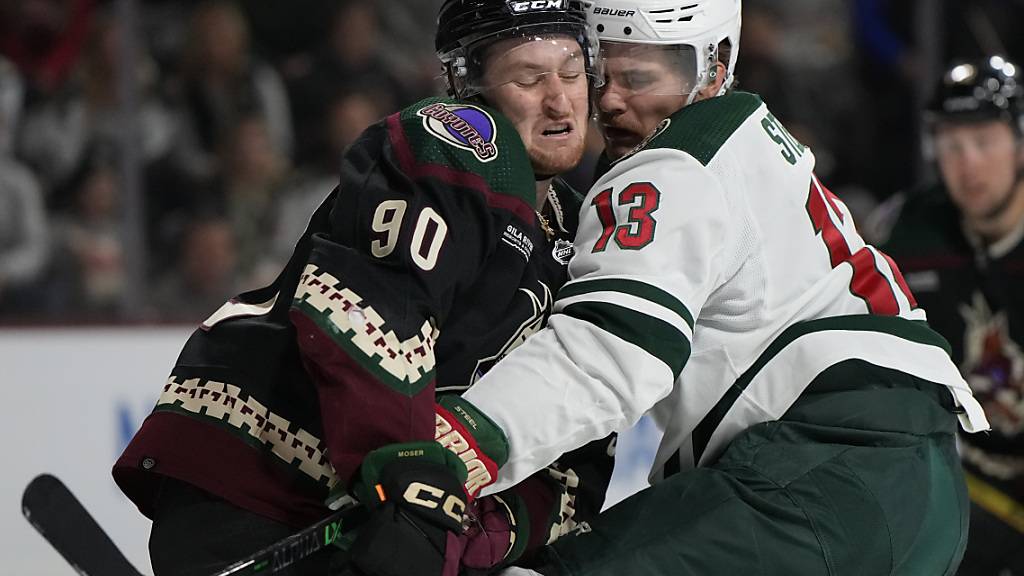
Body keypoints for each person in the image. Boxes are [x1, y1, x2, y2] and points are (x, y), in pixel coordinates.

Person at [381, 1, 993, 575]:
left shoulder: (674, 162)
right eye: (601, 74)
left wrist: (461, 441)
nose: (614, 102)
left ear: (715, 68)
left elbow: (612, 350)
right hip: (922, 492)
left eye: (642, 77)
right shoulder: (752, 139)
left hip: (823, 474)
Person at [113, 2, 614, 575]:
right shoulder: (460, 140)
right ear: (462, 84)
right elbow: (372, 308)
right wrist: (408, 473)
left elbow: (573, 453)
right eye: (528, 77)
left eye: (572, 73)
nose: (559, 100)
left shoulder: (581, 236)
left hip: (361, 514)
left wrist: (465, 535)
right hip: (257, 481)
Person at [870, 56, 1024, 576]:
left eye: (984, 141)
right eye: (951, 145)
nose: (968, 165)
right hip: (963, 487)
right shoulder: (908, 234)